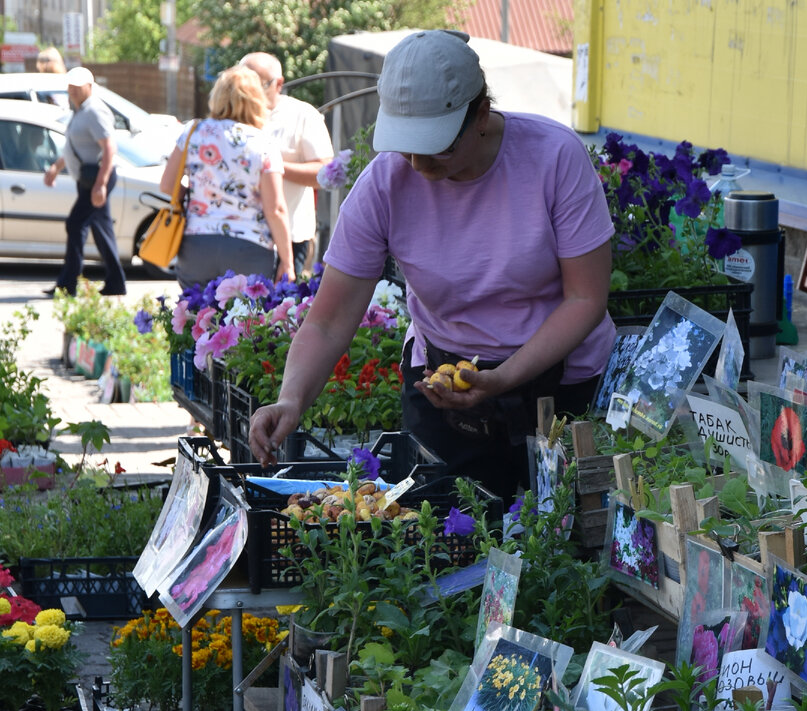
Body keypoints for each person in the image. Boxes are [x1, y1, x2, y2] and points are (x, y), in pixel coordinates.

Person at [249, 29, 614, 502]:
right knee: (445, 541)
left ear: (480, 115)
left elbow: (585, 298)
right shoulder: (383, 184)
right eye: (407, 145)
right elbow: (329, 320)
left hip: (563, 383)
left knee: (566, 542)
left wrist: (504, 377)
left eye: (438, 147)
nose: (420, 164)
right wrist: (291, 397)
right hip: (444, 386)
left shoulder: (553, 157)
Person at [159, 65, 293, 288]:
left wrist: (193, 195)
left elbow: (167, 185)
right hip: (250, 246)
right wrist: (287, 263)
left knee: (195, 318)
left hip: (196, 243)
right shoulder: (263, 143)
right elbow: (275, 209)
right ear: (255, 100)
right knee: (246, 320)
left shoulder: (193, 132)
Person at [238, 52, 334, 277]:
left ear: (278, 84)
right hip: (240, 236)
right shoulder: (232, 115)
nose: (246, 91)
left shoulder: (302, 115)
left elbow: (325, 173)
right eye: (241, 83)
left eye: (255, 84)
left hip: (290, 236)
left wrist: (273, 165)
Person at [42, 67, 126, 298]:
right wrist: (56, 168)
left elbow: (109, 148)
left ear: (90, 86)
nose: (73, 91)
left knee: (75, 224)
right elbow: (75, 146)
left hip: (96, 179)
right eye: (70, 87)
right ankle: (116, 283)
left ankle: (67, 284)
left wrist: (101, 183)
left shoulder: (94, 111)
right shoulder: (80, 110)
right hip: (89, 180)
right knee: (102, 230)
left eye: (78, 87)